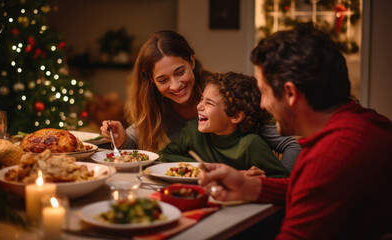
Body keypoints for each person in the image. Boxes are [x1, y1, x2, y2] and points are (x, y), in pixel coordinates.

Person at [198, 23, 392, 239]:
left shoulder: (331, 155)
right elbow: (315, 191)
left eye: (264, 92)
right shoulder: (364, 120)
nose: (262, 104)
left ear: (290, 93)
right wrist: (250, 186)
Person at [100, 30, 300, 171]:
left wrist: (277, 185)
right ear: (151, 80)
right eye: (163, 80)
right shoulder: (157, 106)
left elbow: (291, 144)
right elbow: (134, 141)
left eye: (180, 72)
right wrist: (121, 139)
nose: (175, 85)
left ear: (192, 61)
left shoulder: (224, 93)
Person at [159, 72, 289, 178]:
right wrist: (203, 166)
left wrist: (261, 178)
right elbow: (164, 155)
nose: (199, 106)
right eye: (201, 99)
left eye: (209, 103)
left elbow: (284, 179)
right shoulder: (192, 131)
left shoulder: (251, 144)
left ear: (235, 116)